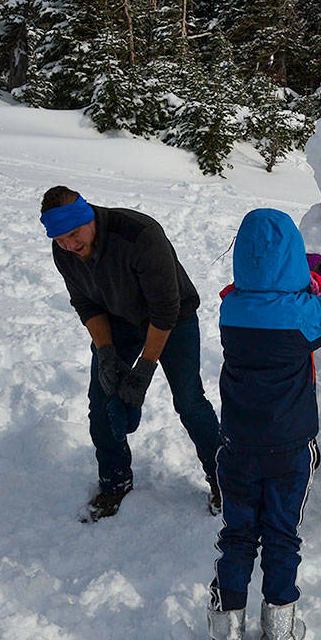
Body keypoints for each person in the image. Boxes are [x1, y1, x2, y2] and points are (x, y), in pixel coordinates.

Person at [203, 209, 321, 640]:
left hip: (237, 447)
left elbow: (261, 292)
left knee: (237, 536)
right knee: (282, 537)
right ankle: (278, 637)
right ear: (293, 259)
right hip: (290, 449)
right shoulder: (301, 315)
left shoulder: (232, 309)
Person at [39, 186, 221, 522]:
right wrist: (106, 353)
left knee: (189, 400)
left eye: (74, 235)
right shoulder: (63, 249)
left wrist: (144, 371)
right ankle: (115, 481)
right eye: (60, 239)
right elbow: (85, 302)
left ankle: (226, 483)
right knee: (102, 398)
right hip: (118, 320)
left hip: (173, 319)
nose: (69, 245)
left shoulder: (139, 235)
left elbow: (165, 311)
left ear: (88, 217)